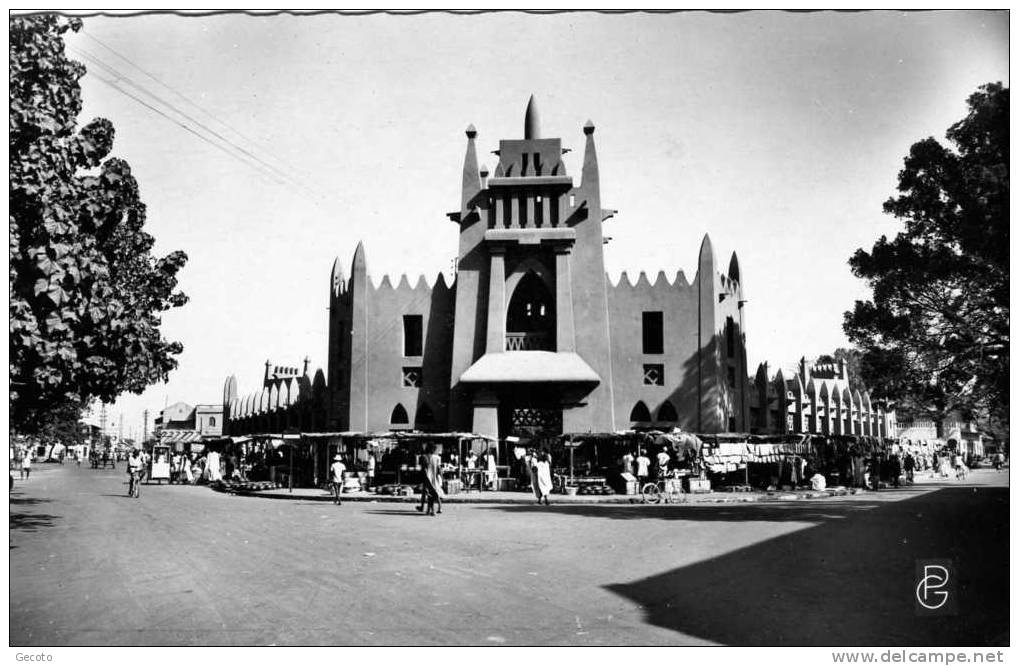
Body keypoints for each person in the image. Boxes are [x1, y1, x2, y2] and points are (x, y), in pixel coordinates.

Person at [419, 444, 444, 516]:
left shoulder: (424, 457)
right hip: (434, 478)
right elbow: (439, 469)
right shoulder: (437, 458)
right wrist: (441, 477)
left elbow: (423, 469)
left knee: (430, 495)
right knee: (434, 494)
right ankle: (432, 510)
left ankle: (431, 510)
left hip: (427, 477)